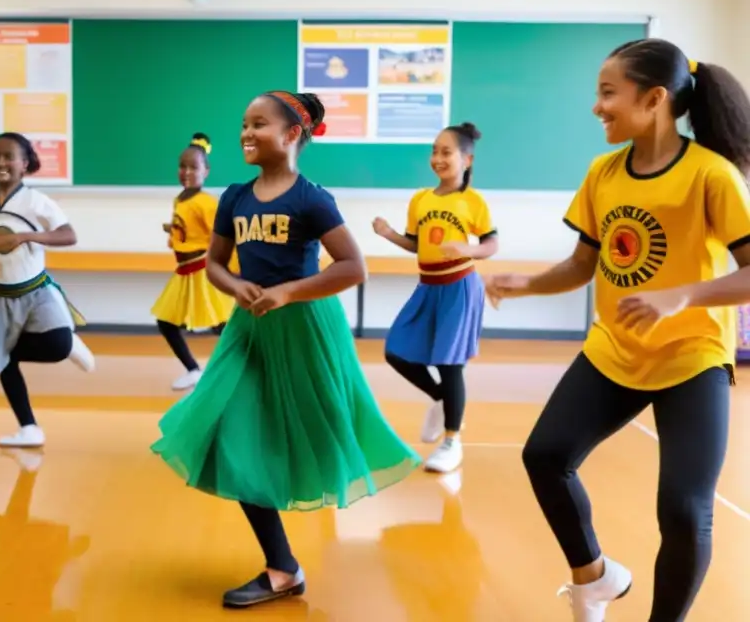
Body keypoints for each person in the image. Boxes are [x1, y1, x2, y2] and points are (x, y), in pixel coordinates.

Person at [486, 39, 750, 622]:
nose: (596, 107)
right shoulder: (603, 172)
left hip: (692, 356)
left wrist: (685, 294)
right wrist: (523, 284)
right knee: (545, 456)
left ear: (654, 99)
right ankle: (596, 577)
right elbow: (583, 264)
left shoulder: (712, 175)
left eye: (608, 93)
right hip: (615, 349)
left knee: (684, 509)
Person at [151, 90, 421, 609]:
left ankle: (284, 570)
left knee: (306, 433)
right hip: (249, 332)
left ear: (292, 134)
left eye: (258, 124)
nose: (246, 134)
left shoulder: (312, 199)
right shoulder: (233, 197)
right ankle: (283, 567)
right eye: (244, 124)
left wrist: (287, 292)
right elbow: (215, 264)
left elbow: (351, 268)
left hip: (304, 329)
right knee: (232, 431)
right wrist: (236, 288)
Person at [0, 130, 95, 449]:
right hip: (1, 297)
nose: (1, 162)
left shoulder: (37, 202)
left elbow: (68, 235)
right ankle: (28, 427)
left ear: (25, 163)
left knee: (57, 346)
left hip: (37, 291)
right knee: (3, 362)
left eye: (9, 157)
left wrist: (28, 237)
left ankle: (68, 340)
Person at [372, 123, 497, 474]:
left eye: (447, 152)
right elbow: (415, 243)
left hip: (459, 286)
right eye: (434, 151)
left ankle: (451, 440)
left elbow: (491, 243)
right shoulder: (420, 199)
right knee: (395, 350)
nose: (437, 158)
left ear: (467, 159)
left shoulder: (473, 201)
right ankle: (443, 399)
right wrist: (389, 234)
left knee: (449, 363)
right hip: (427, 286)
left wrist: (469, 248)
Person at [151, 132, 233, 390]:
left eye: (193, 167)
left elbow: (222, 235)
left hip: (202, 272)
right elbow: (189, 231)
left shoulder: (206, 202)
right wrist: (173, 229)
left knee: (222, 325)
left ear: (205, 171)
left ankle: (245, 369)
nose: (186, 172)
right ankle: (193, 369)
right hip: (184, 272)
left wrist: (228, 270)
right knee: (166, 322)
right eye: (182, 166)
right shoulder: (180, 199)